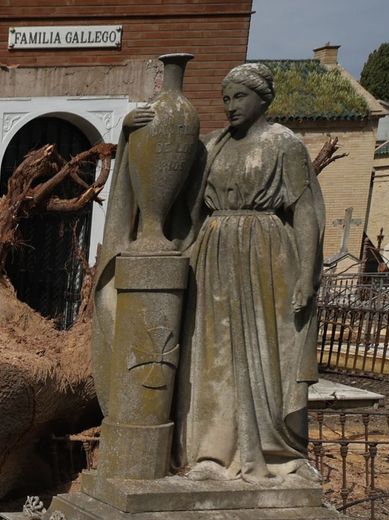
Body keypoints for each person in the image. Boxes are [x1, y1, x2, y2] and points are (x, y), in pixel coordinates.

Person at [109, 61, 324, 484]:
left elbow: (305, 212)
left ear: (263, 98)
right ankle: (210, 452)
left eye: (239, 97)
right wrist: (128, 132)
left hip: (267, 258)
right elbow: (162, 175)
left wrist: (306, 276)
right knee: (211, 355)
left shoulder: (285, 144)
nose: (230, 106)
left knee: (267, 353)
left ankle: (271, 451)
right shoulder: (213, 145)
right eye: (225, 99)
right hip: (214, 255)